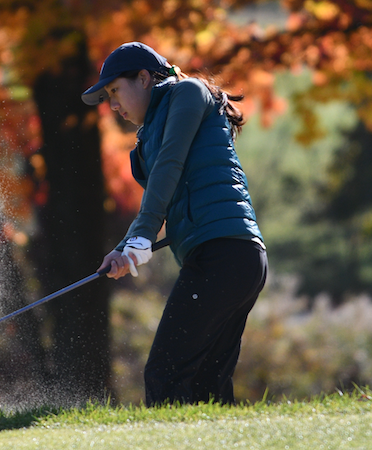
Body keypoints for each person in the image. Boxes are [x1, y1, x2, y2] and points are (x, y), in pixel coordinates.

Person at [82, 42, 268, 406]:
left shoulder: (188, 92)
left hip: (224, 256)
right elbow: (164, 194)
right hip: (233, 259)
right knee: (206, 387)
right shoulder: (150, 133)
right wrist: (124, 249)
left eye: (116, 91)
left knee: (165, 374)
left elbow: (170, 164)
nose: (113, 105)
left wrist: (140, 237)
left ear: (145, 77)